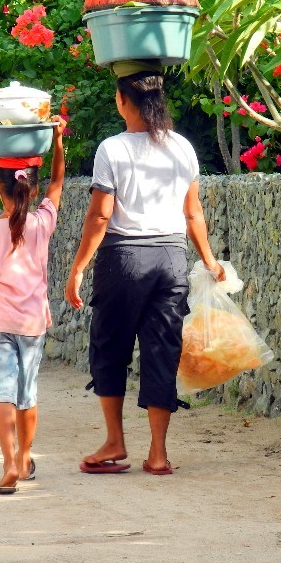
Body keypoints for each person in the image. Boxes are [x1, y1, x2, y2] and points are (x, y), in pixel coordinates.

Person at [65, 62, 225, 476]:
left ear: (122, 101)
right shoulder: (182, 147)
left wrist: (79, 267)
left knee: (110, 345)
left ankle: (115, 441)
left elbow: (101, 217)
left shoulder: (112, 149)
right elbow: (193, 214)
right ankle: (158, 453)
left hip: (124, 259)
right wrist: (208, 261)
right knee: (161, 350)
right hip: (171, 259)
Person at [0, 115, 66, 494]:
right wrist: (57, 141)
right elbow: (58, 182)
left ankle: (8, 463)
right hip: (32, 324)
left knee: (3, 392)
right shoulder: (42, 223)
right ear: (33, 189)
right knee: (28, 393)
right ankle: (25, 459)